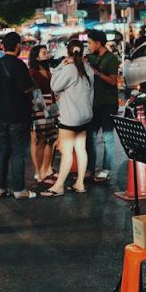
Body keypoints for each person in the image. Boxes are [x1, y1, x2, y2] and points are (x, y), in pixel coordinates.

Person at [43, 41, 94, 196]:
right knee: (80, 149)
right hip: (85, 117)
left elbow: (54, 86)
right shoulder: (88, 68)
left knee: (66, 152)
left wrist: (60, 66)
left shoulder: (69, 68)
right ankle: (80, 183)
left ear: (68, 52)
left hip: (70, 118)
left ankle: (58, 186)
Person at [0, 31, 38, 199]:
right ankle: (19, 189)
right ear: (18, 46)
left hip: (0, 114)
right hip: (17, 114)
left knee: (3, 150)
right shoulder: (18, 65)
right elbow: (25, 87)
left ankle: (0, 187)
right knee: (18, 152)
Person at [85, 30, 120, 183]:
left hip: (108, 103)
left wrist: (96, 72)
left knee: (107, 137)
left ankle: (106, 169)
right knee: (90, 136)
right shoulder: (91, 57)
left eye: (90, 42)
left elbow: (113, 81)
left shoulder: (111, 59)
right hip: (94, 103)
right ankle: (90, 168)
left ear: (98, 43)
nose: (88, 45)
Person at [27, 44, 57, 185]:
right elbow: (34, 94)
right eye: (44, 53)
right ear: (36, 56)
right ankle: (38, 172)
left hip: (51, 105)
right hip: (39, 108)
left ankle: (46, 169)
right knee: (40, 140)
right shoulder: (32, 72)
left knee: (50, 139)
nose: (47, 54)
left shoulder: (47, 70)